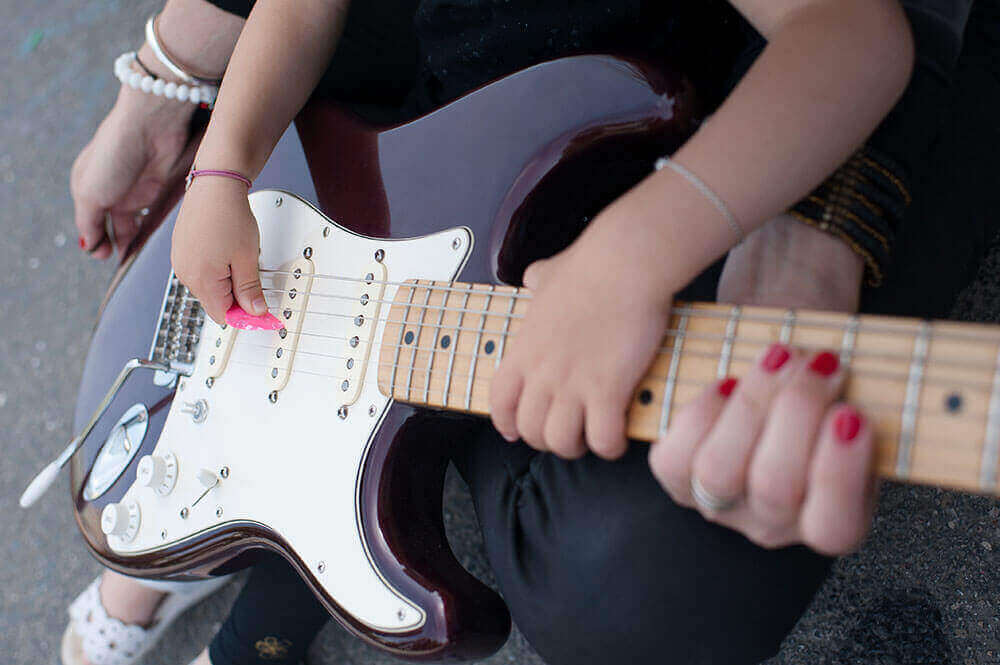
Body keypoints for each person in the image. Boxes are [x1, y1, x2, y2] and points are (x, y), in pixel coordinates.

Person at [66, 1, 977, 664]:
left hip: (628, 154)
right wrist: (217, 166)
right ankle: (264, 514)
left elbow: (851, 30)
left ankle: (294, 515)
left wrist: (635, 251)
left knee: (629, 587)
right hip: (414, 118)